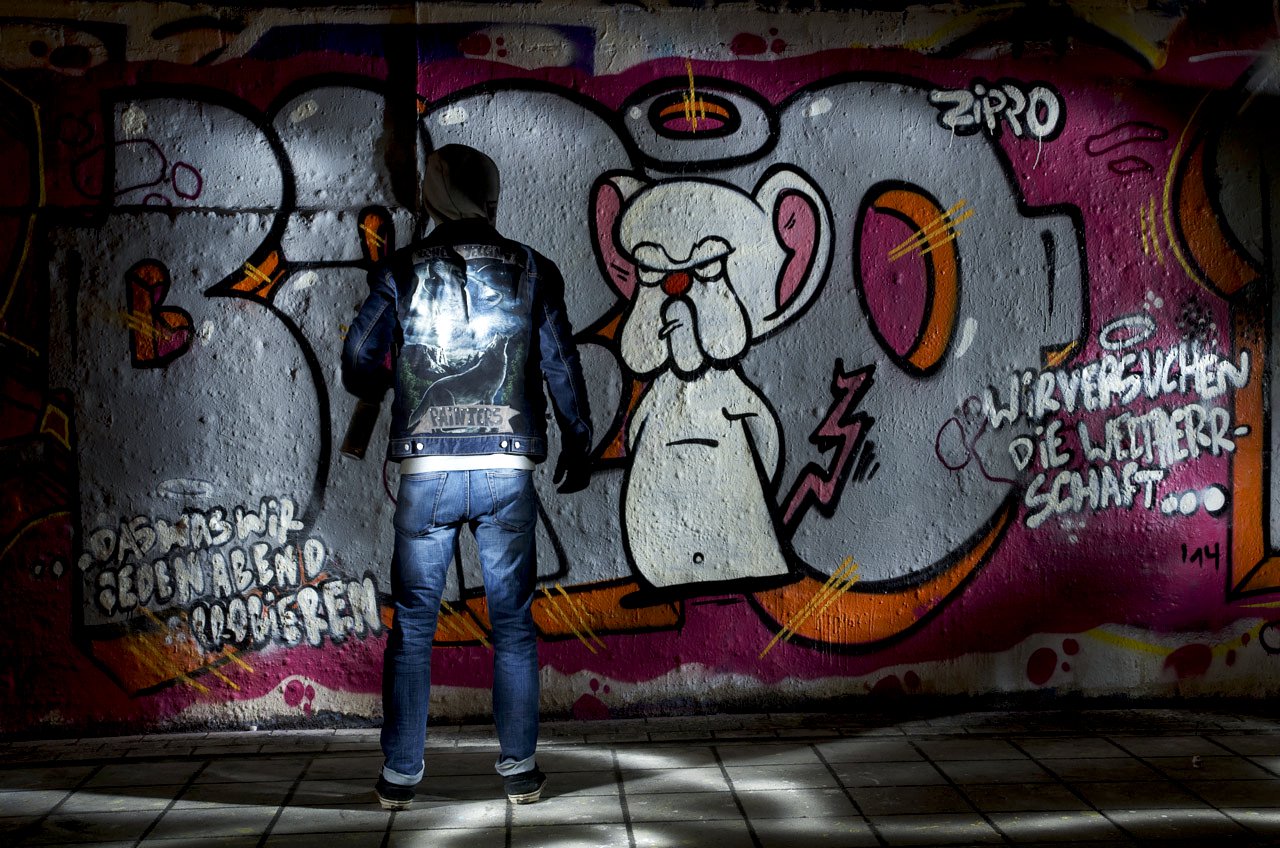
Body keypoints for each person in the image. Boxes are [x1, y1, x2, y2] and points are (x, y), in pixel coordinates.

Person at [341, 144, 592, 811]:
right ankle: (520, 773)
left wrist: (388, 377)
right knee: (512, 623)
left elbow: (358, 357)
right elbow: (561, 363)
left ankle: (400, 776)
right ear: (491, 196)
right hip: (507, 467)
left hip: (427, 469)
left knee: (413, 625)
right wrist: (579, 437)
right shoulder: (533, 268)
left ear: (434, 197)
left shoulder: (401, 270)